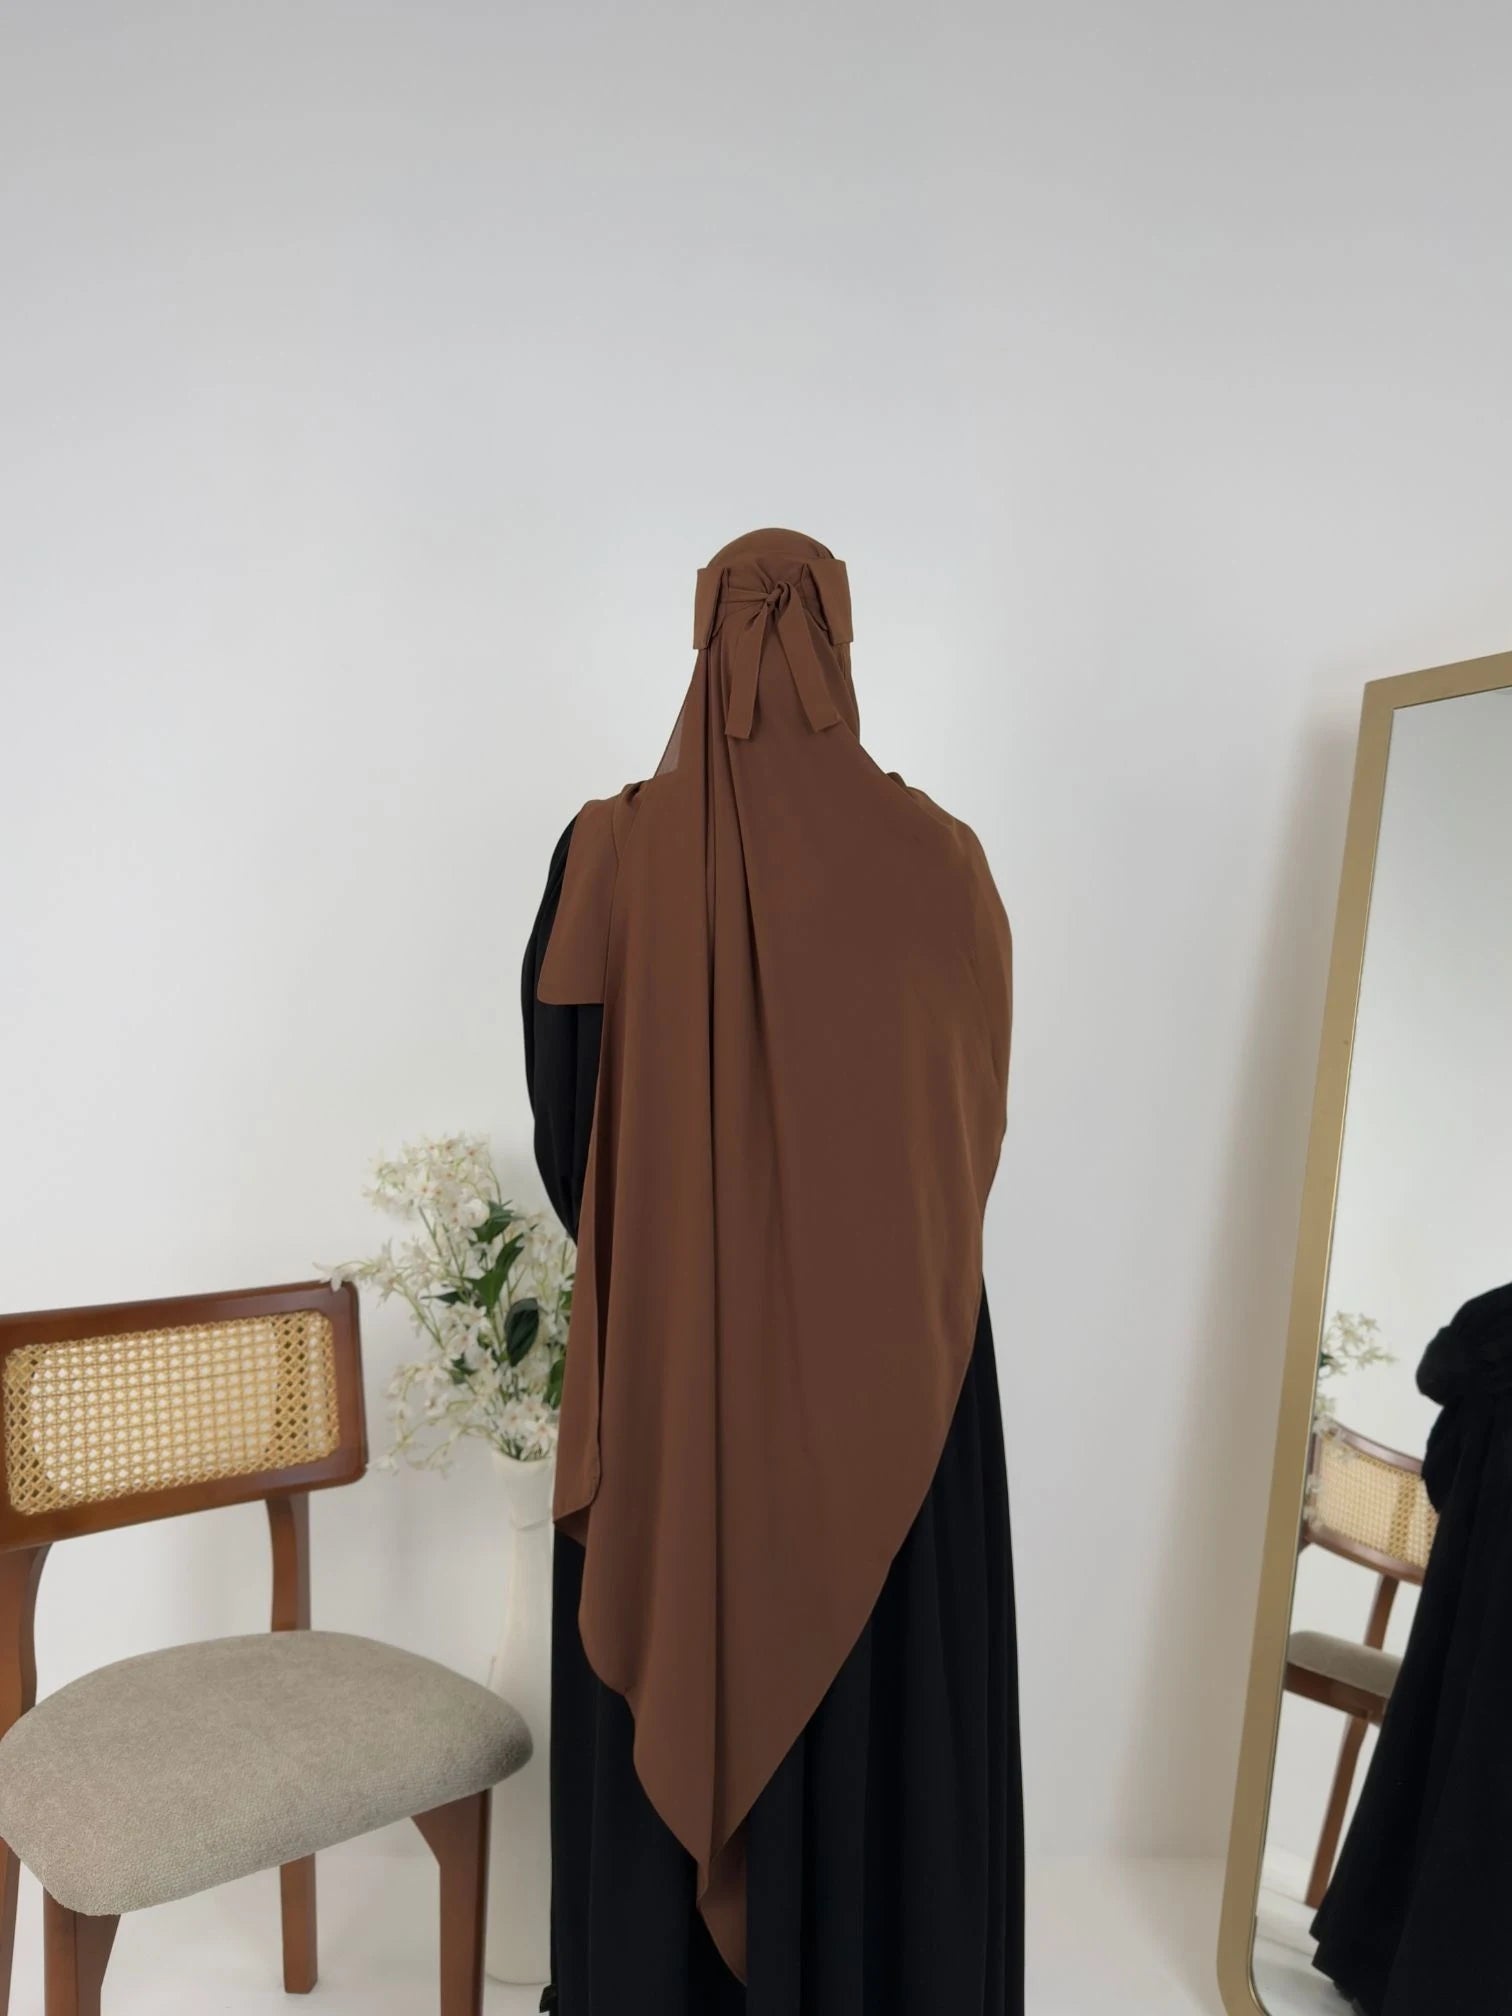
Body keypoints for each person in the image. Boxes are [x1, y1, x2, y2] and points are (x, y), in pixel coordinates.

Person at [521, 528, 1022, 2014]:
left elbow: (570, 1132)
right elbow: (969, 1120)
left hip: (674, 1377)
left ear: (702, 644)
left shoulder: (608, 851)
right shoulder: (946, 858)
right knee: (885, 1697)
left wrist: (695, 1262)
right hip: (913, 1384)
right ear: (842, 646)